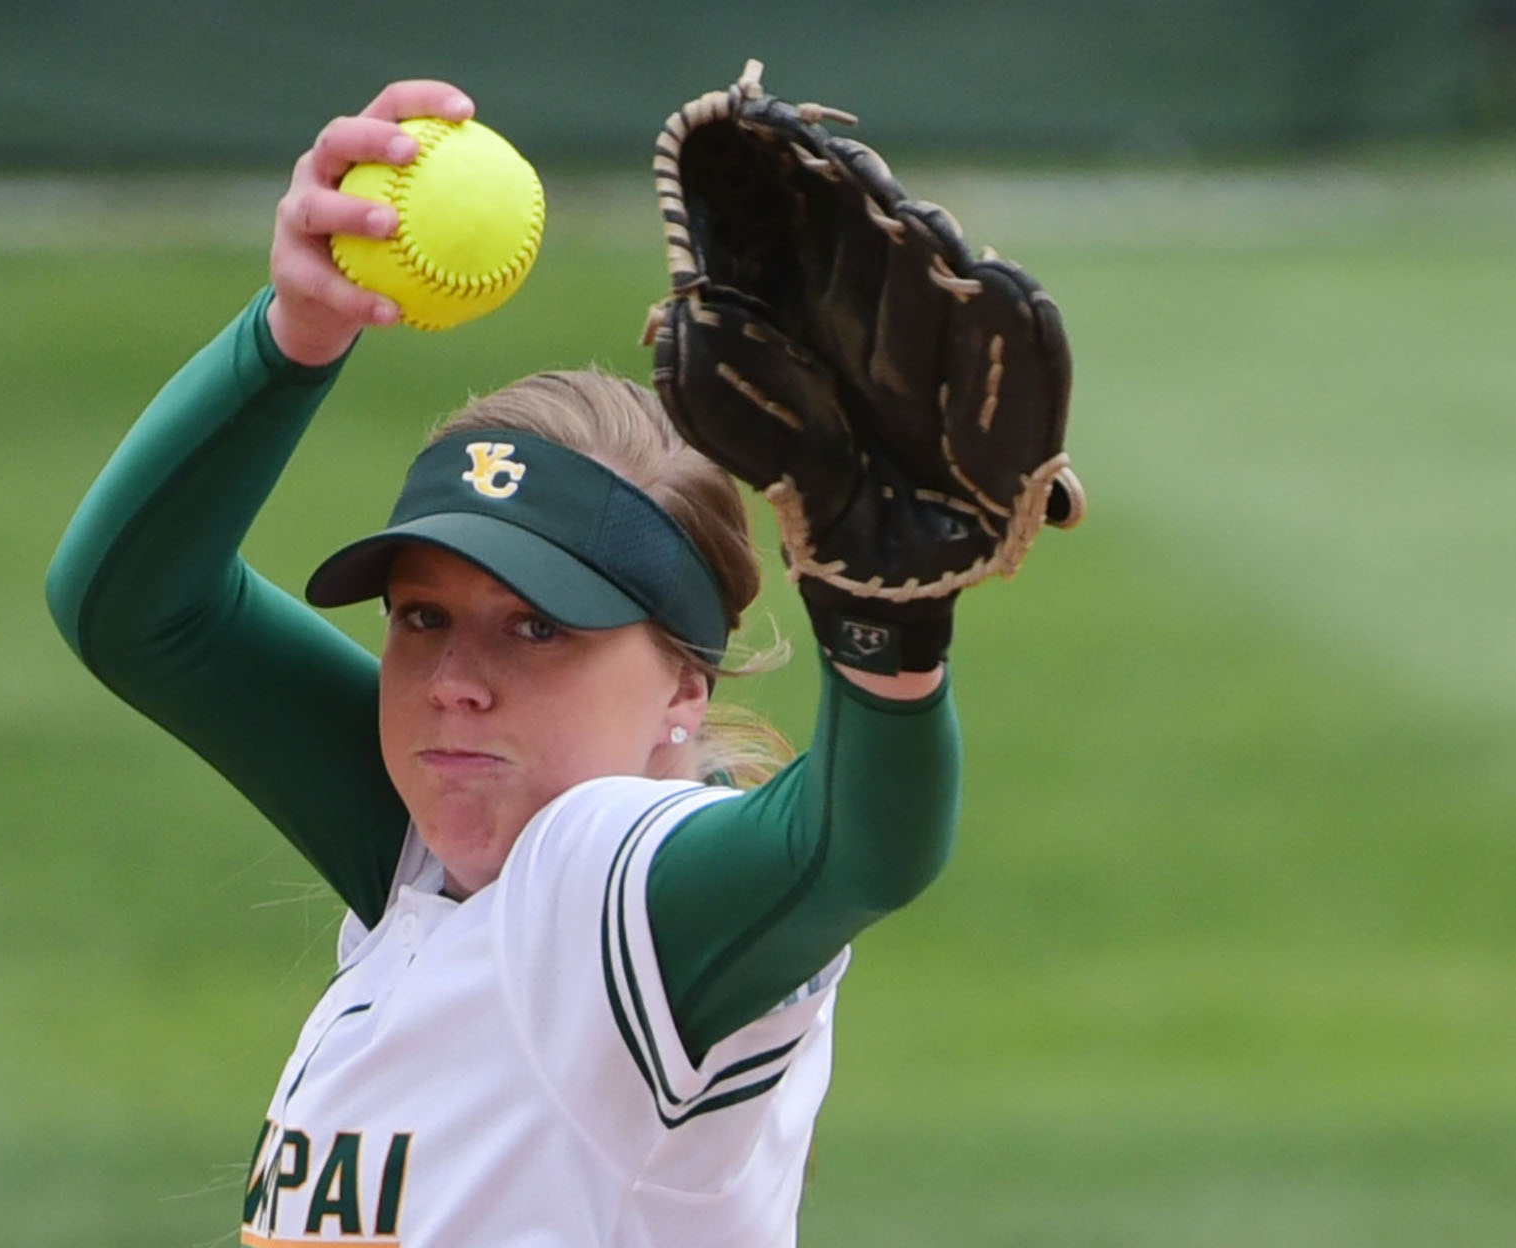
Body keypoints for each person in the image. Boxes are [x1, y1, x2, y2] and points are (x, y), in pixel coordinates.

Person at [46, 80, 960, 1247]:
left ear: (686, 684)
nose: (453, 683)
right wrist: (292, 329)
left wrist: (885, 637)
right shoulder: (429, 864)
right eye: (422, 617)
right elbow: (133, 611)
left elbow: (858, 852)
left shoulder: (612, 894)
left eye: (540, 628)